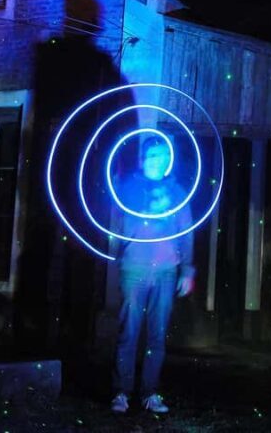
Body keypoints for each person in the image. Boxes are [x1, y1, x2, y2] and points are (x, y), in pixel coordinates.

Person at [110, 136, 195, 414]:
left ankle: (149, 393)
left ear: (168, 160)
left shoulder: (178, 193)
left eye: (161, 156)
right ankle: (121, 392)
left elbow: (187, 233)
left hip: (166, 272)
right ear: (143, 159)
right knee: (129, 332)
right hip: (134, 268)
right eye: (152, 156)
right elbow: (114, 222)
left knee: (157, 335)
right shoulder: (128, 187)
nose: (156, 161)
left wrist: (187, 270)